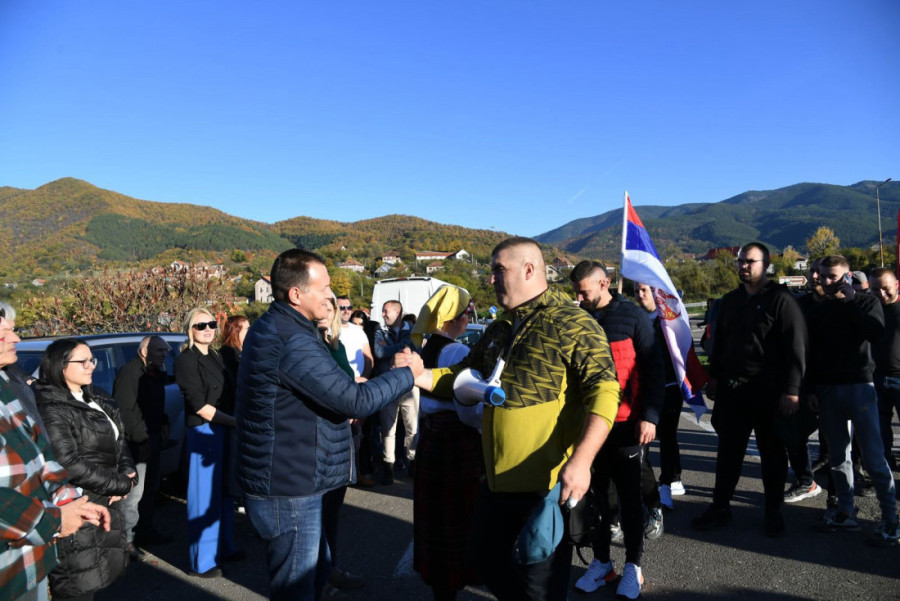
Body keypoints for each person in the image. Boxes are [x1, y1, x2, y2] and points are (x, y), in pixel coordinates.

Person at [407, 237, 621, 601]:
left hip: (543, 488)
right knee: (484, 562)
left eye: (498, 270)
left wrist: (582, 461)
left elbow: (604, 390)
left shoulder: (570, 321)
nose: (490, 279)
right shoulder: (502, 325)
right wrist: (420, 374)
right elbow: (464, 374)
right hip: (494, 482)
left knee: (538, 588)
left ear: (529, 270)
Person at [235, 248, 425, 601]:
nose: (331, 296)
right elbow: (354, 401)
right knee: (295, 590)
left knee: (312, 578)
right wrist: (406, 374)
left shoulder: (281, 327)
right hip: (290, 488)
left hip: (290, 478)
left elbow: (323, 392)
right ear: (296, 294)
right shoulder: (290, 339)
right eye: (323, 288)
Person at [692, 242, 807, 538]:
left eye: (750, 261)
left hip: (771, 393)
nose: (743, 266)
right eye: (741, 261)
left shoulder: (782, 300)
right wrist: (714, 376)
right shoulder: (730, 301)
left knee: (773, 455)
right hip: (733, 392)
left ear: (765, 264)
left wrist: (792, 390)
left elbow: (796, 348)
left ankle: (773, 512)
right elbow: (720, 343)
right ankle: (720, 508)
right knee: (728, 454)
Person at [0, 305, 111, 601]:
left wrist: (66, 496)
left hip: (30, 562)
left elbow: (38, 453)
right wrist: (54, 520)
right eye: (3, 334)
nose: (16, 339)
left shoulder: (6, 384)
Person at [568, 261, 664, 599]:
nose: (579, 299)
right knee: (598, 497)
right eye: (576, 293)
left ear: (604, 283)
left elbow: (653, 368)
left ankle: (633, 566)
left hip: (627, 424)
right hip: (590, 425)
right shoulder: (579, 319)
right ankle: (603, 563)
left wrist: (649, 416)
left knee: (630, 499)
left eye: (584, 292)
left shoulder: (633, 316)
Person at [34, 339, 137, 601]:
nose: (91, 366)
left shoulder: (95, 395)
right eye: (83, 361)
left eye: (92, 360)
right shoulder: (50, 406)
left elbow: (119, 439)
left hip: (105, 500)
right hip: (79, 503)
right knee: (78, 583)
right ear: (60, 366)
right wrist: (120, 484)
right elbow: (68, 463)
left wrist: (127, 471)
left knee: (97, 575)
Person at [806, 255, 898, 546]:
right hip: (828, 390)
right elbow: (812, 352)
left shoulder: (866, 303)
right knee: (838, 456)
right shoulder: (819, 309)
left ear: (847, 277)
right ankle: (846, 512)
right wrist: (811, 389)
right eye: (822, 275)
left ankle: (890, 520)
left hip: (860, 386)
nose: (825, 281)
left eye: (832, 276)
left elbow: (874, 332)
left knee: (873, 457)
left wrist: (850, 302)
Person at [409, 286, 482, 601]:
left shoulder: (428, 346)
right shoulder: (456, 352)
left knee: (436, 520)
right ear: (458, 317)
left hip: (432, 435)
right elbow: (471, 407)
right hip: (455, 438)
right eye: (467, 313)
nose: (468, 319)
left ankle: (440, 583)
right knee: (456, 519)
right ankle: (451, 581)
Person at [174, 308, 242, 578]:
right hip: (205, 431)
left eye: (211, 324)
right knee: (204, 497)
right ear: (190, 329)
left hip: (225, 427)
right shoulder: (186, 360)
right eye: (200, 325)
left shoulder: (216, 356)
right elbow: (199, 406)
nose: (208, 329)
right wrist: (235, 422)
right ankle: (201, 562)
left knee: (225, 492)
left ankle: (225, 547)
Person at [317, 296, 366, 599]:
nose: (325, 310)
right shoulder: (310, 345)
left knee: (331, 511)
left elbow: (347, 383)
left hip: (341, 435)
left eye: (330, 305)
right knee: (317, 514)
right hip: (318, 440)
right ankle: (318, 580)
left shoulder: (337, 345)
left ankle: (329, 569)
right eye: (320, 303)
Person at [113, 335, 172, 559]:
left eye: (165, 351)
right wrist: (142, 438)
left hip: (152, 438)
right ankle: (126, 541)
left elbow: (157, 404)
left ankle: (145, 530)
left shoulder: (154, 374)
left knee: (150, 489)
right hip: (137, 443)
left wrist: (164, 423)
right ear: (144, 351)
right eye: (159, 351)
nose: (164, 355)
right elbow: (125, 410)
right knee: (133, 495)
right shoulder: (130, 373)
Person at [635, 283, 689, 508]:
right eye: (636, 291)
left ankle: (666, 483)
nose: (640, 295)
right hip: (644, 387)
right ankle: (667, 479)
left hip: (668, 386)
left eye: (644, 290)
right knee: (646, 439)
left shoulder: (666, 320)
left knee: (667, 436)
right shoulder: (637, 318)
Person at [373, 300, 419, 483]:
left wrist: (392, 349)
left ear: (398, 313)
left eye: (386, 311)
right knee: (388, 429)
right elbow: (379, 352)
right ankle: (388, 469)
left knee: (412, 428)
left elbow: (415, 350)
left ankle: (413, 464)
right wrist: (402, 348)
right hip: (388, 385)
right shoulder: (380, 331)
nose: (383, 315)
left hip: (410, 385)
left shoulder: (413, 331)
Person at [870, 267, 900, 470]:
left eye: (886, 288)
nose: (881, 294)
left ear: (896, 285)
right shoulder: (869, 310)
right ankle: (885, 473)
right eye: (875, 290)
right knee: (880, 432)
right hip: (876, 378)